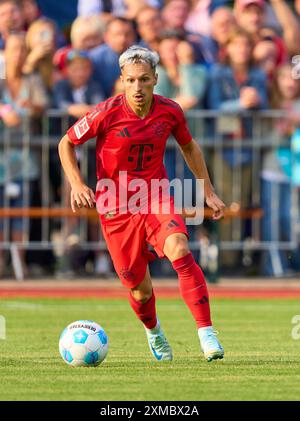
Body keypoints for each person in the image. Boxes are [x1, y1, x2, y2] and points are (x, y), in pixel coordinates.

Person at [58, 45, 225, 362]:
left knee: (180, 248)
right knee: (139, 289)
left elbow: (190, 147)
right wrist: (77, 183)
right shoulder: (106, 112)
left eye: (144, 80)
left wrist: (207, 190)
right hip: (115, 206)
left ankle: (207, 333)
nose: (138, 87)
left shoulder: (170, 110)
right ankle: (154, 332)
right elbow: (66, 142)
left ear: (155, 79)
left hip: (155, 195)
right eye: (131, 80)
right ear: (122, 80)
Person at [89, 17, 137, 98]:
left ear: (134, 36)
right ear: (106, 37)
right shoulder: (95, 58)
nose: (123, 39)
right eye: (117, 34)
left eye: (128, 34)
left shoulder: (143, 56)